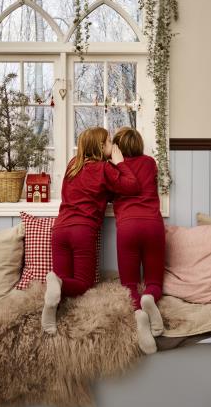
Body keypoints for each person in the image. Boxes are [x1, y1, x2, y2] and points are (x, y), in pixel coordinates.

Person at [41, 126, 140, 335]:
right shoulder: (104, 169)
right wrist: (120, 163)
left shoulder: (72, 165)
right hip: (82, 231)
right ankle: (56, 282)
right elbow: (132, 186)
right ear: (100, 146)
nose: (112, 145)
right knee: (83, 284)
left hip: (59, 229)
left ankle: (53, 296)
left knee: (64, 287)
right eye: (109, 142)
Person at [111, 127, 165, 355]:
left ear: (117, 149)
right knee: (154, 281)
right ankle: (150, 297)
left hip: (128, 228)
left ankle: (138, 315)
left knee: (129, 285)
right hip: (153, 225)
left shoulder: (113, 170)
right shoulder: (151, 163)